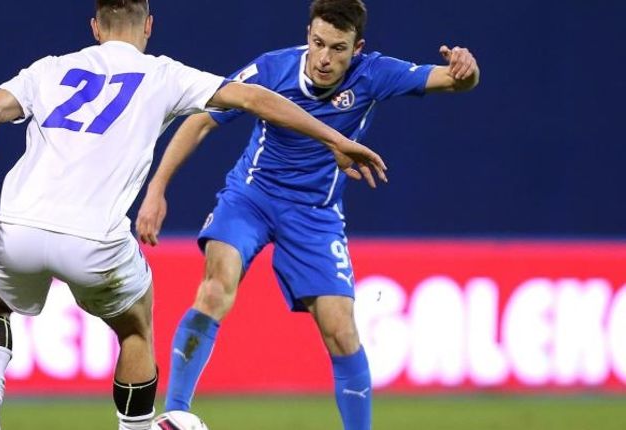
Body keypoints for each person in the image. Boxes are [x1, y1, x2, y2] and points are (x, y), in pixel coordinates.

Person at [0, 1, 388, 429]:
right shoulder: (162, 74)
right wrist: (334, 138)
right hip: (94, 241)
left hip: (19, 226)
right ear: (149, 26)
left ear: (95, 28)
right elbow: (253, 99)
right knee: (136, 329)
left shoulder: (48, 68)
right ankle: (144, 425)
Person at [135, 0, 480, 429]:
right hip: (252, 197)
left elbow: (453, 81)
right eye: (317, 43)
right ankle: (176, 414)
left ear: (358, 49)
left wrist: (467, 70)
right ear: (307, 35)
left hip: (315, 214)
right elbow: (201, 120)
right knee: (215, 285)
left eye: (338, 48)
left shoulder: (374, 74)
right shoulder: (271, 70)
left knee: (341, 330)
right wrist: (157, 188)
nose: (324, 58)